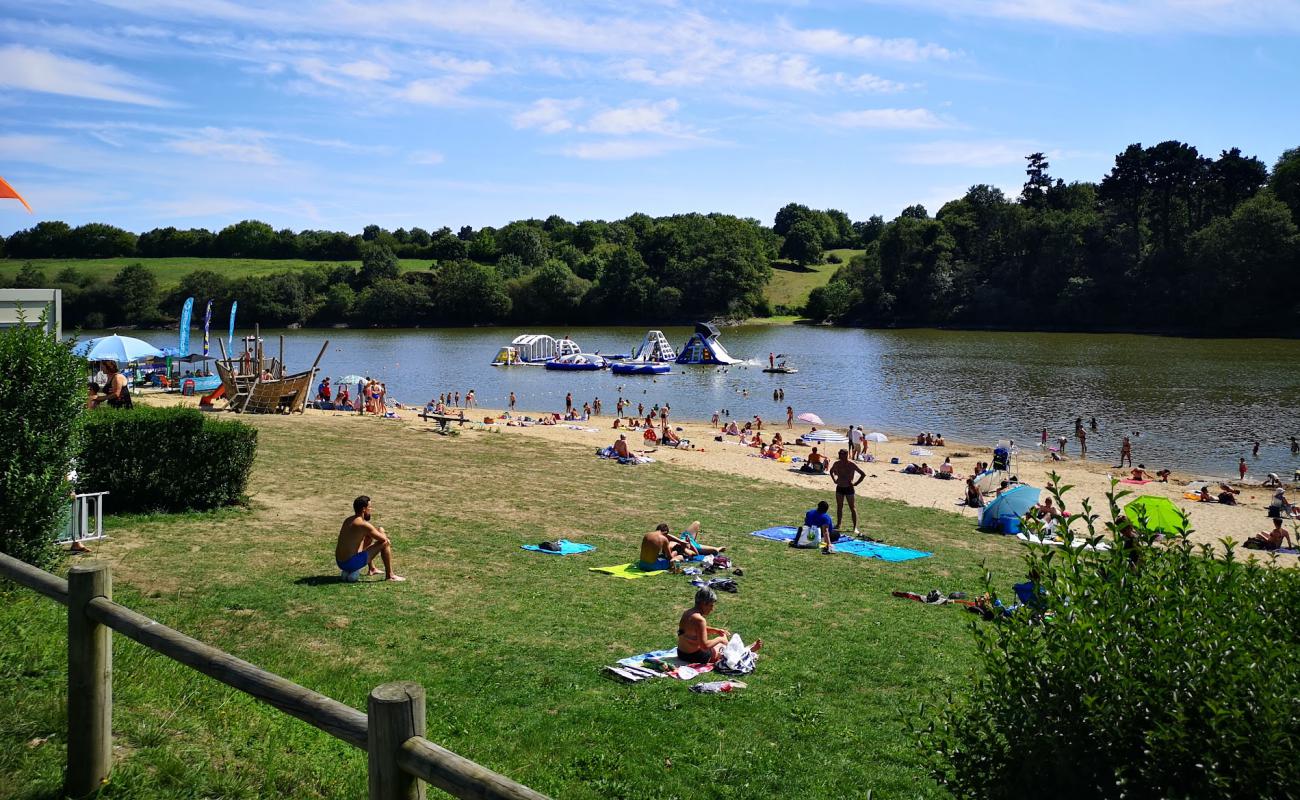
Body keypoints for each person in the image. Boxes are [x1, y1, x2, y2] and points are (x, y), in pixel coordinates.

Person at [676, 587, 762, 665]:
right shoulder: (700, 620)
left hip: (682, 653)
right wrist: (719, 639)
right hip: (696, 657)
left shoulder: (687, 613)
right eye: (711, 605)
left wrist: (715, 630)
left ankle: (745, 649)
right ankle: (748, 650)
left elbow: (694, 629)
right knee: (724, 648)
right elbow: (704, 646)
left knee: (720, 645)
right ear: (703, 604)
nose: (712, 609)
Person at [335, 496, 404, 582]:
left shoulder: (348, 520)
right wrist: (381, 531)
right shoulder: (363, 524)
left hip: (340, 563)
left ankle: (372, 568)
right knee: (385, 542)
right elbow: (383, 539)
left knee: (368, 538)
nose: (371, 509)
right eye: (369, 507)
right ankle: (390, 575)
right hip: (351, 563)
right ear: (364, 509)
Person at [829, 448, 866, 535]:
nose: (841, 456)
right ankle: (838, 524)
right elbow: (831, 471)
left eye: (843, 454)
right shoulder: (837, 463)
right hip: (840, 487)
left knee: (852, 507)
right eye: (840, 454)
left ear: (846, 455)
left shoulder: (851, 465)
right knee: (839, 507)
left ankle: (855, 527)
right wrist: (834, 480)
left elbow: (863, 474)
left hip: (849, 488)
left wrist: (856, 483)